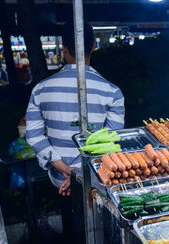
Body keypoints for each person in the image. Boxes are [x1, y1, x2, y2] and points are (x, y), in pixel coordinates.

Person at [26, 21, 125, 197]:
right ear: (93, 47)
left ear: (64, 48)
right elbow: (111, 140)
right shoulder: (112, 92)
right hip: (96, 180)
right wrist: (79, 173)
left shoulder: (40, 89)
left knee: (67, 220)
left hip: (59, 179)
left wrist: (63, 167)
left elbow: (34, 135)